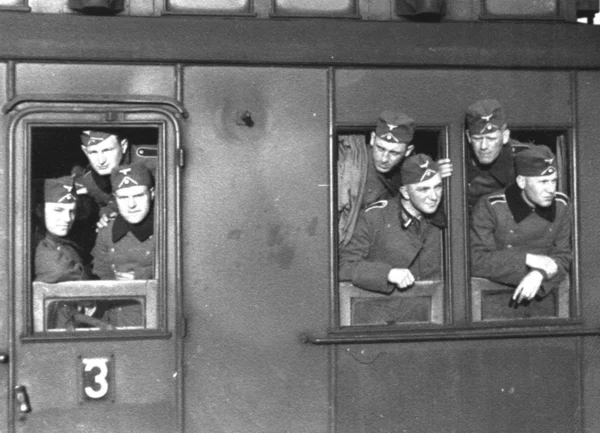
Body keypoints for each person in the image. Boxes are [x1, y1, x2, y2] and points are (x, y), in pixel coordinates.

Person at [470, 145, 572, 304]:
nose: (551, 190)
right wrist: (527, 259)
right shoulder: (491, 207)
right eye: (543, 182)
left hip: (546, 296)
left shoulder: (561, 205)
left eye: (554, 181)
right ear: (522, 182)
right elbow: (476, 260)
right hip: (490, 298)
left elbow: (564, 256)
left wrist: (539, 274)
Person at [338, 110, 452, 246]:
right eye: (380, 149)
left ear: (408, 151)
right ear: (373, 139)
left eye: (394, 152)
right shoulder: (353, 165)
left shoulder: (410, 169)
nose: (384, 158)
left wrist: (432, 175)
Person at [339, 154, 446, 294]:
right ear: (405, 193)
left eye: (437, 187)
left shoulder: (445, 217)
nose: (434, 197)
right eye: (423, 189)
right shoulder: (374, 218)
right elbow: (344, 266)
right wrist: (387, 274)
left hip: (434, 309)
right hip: (385, 309)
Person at [33, 176, 110, 330]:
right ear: (39, 210)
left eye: (72, 211)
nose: (67, 219)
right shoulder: (45, 251)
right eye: (58, 210)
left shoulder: (61, 242)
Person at [91, 162, 155, 326]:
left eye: (139, 196)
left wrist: (139, 281)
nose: (131, 204)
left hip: (152, 323)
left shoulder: (165, 231)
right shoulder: (106, 232)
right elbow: (99, 275)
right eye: (124, 197)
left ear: (152, 194)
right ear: (115, 199)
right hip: (113, 322)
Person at [465, 99, 531, 211]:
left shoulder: (525, 159)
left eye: (491, 138)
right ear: (468, 137)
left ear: (505, 136)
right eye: (477, 139)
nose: (483, 146)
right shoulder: (457, 158)